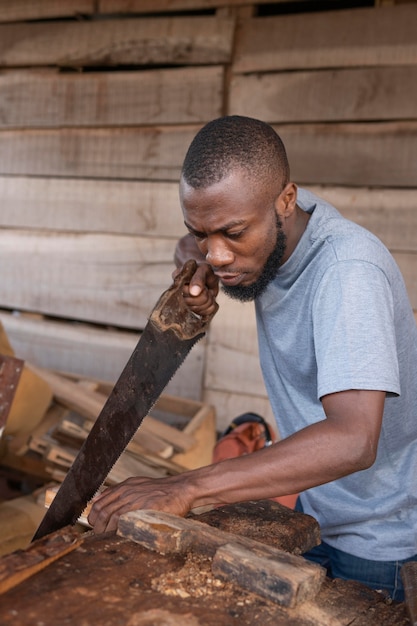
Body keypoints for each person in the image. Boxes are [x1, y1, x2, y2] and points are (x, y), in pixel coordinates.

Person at [89, 115, 417, 601]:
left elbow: (353, 439)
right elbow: (205, 240)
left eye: (233, 233)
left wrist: (186, 488)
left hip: (379, 542)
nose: (218, 254)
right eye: (202, 232)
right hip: (317, 513)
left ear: (286, 200)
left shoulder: (348, 273)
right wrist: (195, 264)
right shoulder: (269, 223)